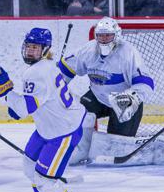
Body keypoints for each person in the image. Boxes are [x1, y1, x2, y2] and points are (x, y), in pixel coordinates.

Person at [0, 28, 87, 192]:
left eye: (35, 47)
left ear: (45, 50)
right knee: (29, 166)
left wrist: (5, 91)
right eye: (28, 46)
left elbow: (24, 109)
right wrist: (13, 99)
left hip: (63, 131)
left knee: (44, 179)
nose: (30, 51)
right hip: (47, 128)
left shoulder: (37, 72)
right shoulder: (45, 67)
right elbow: (32, 104)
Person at [57, 17, 155, 165]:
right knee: (79, 113)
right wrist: (52, 87)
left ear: (117, 35)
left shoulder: (128, 53)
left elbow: (146, 82)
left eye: (108, 35)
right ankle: (81, 150)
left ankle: (125, 146)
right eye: (100, 35)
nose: (103, 39)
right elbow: (64, 70)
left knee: (115, 149)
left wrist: (132, 98)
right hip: (98, 96)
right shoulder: (88, 50)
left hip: (123, 101)